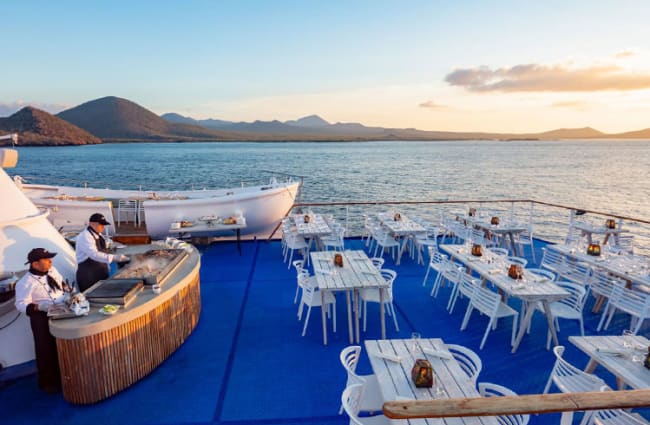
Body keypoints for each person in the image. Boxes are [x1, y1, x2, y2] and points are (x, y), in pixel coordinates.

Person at [14, 248, 71, 393]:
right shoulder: (25, 282)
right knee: (45, 349)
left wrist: (68, 292)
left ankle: (64, 376)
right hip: (40, 317)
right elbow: (20, 304)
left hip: (60, 310)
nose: (50, 261)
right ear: (35, 264)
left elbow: (61, 284)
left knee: (61, 344)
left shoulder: (53, 270)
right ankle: (48, 383)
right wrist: (40, 307)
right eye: (46, 259)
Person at [75, 213, 128, 292]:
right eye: (101, 224)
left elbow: (103, 251)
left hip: (101, 274)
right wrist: (114, 258)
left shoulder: (98, 235)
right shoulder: (85, 236)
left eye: (104, 225)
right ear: (92, 224)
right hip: (89, 277)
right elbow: (94, 254)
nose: (103, 227)